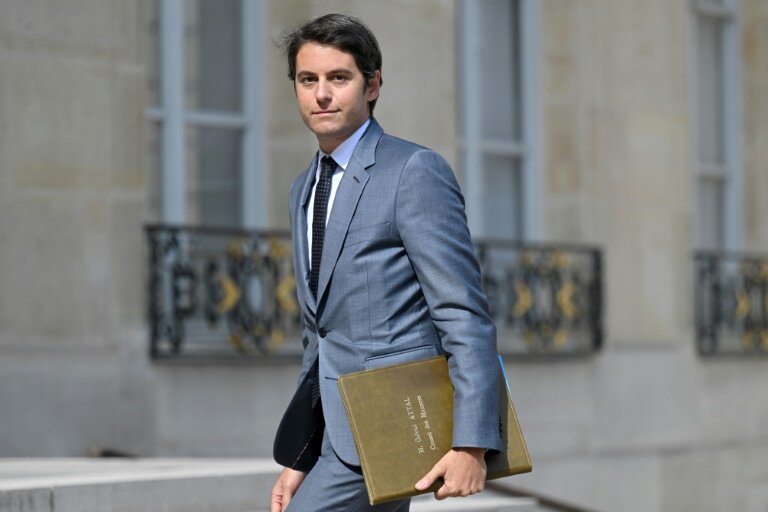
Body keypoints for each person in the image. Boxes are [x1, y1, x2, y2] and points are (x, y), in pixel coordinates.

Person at [271, 13, 502, 512]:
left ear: (372, 85)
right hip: (338, 430)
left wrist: (472, 443)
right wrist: (302, 454)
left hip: (397, 424)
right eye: (308, 80)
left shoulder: (412, 171)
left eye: (339, 78)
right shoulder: (303, 189)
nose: (322, 95)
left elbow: (462, 311)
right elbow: (320, 335)